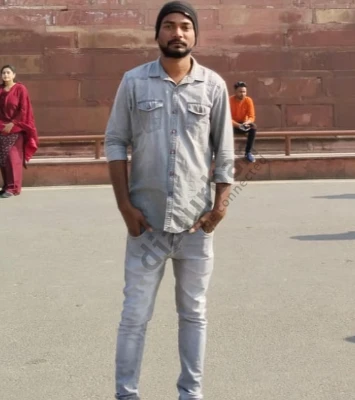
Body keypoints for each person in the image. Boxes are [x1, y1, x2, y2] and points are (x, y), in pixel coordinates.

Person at [104, 1, 234, 399]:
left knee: (193, 314)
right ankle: (126, 394)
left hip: (195, 225)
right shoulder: (134, 82)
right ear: (157, 33)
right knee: (134, 316)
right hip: (146, 223)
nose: (177, 33)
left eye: (185, 27)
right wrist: (124, 207)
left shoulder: (213, 86)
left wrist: (220, 207)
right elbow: (115, 141)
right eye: (169, 26)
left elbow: (225, 152)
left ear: (195, 35)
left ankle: (190, 393)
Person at [0, 64, 38, 198]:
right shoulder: (0, 90)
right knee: (3, 159)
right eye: (3, 73)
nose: (5, 75)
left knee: (13, 159)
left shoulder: (20, 89)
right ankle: (6, 186)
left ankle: (14, 188)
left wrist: (13, 123)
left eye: (8, 72)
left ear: (14, 75)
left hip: (16, 128)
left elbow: (24, 109)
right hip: (1, 128)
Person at [230, 81, 257, 163]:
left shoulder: (248, 100)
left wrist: (247, 122)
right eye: (240, 92)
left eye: (244, 92)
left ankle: (248, 152)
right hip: (232, 125)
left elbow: (252, 116)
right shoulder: (229, 100)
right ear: (235, 91)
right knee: (222, 127)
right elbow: (227, 118)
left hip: (244, 124)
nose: (242, 94)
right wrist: (238, 125)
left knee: (253, 127)